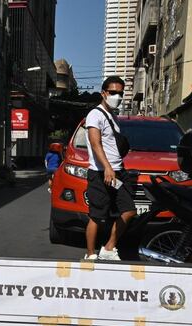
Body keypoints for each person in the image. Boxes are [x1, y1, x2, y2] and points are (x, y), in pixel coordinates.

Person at [83, 76, 136, 261]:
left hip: (117, 173)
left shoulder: (113, 117)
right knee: (97, 215)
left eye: (120, 93)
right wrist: (107, 167)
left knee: (129, 210)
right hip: (101, 173)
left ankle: (108, 248)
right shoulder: (95, 115)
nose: (117, 96)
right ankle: (90, 254)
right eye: (113, 92)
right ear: (104, 93)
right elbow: (95, 143)